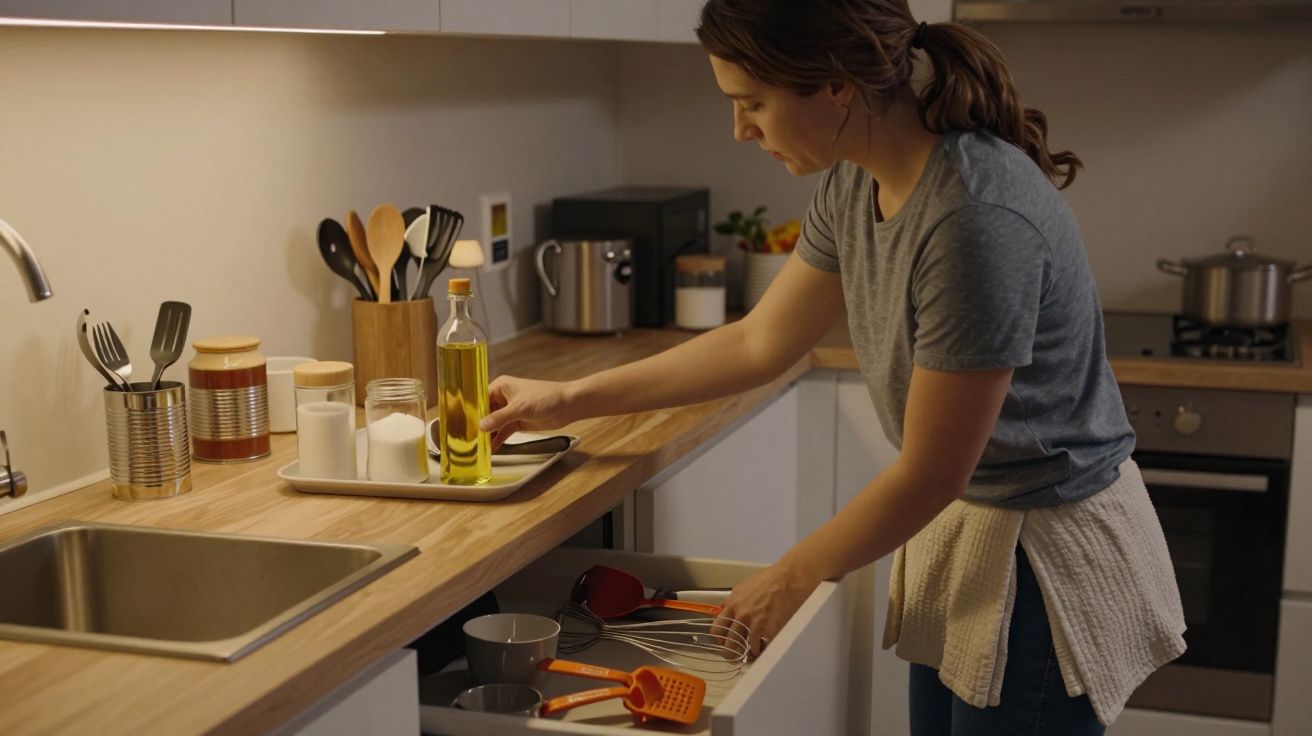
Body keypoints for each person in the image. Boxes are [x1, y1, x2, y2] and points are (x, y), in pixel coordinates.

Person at [479, 1, 1186, 733]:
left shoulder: (973, 221)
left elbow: (931, 472)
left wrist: (789, 575)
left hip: (1041, 560)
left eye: (752, 103)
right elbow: (760, 341)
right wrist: (568, 398)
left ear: (838, 84)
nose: (740, 128)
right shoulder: (857, 181)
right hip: (970, 531)